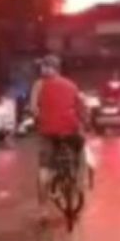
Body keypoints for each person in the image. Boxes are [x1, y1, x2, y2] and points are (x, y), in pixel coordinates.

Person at [28, 56, 92, 209]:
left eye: (45, 66)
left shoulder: (38, 85)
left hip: (48, 131)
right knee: (80, 152)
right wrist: (85, 122)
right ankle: (78, 183)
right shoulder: (71, 85)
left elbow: (33, 109)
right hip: (70, 130)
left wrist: (38, 118)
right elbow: (81, 108)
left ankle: (42, 210)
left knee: (44, 169)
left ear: (52, 68)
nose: (43, 69)